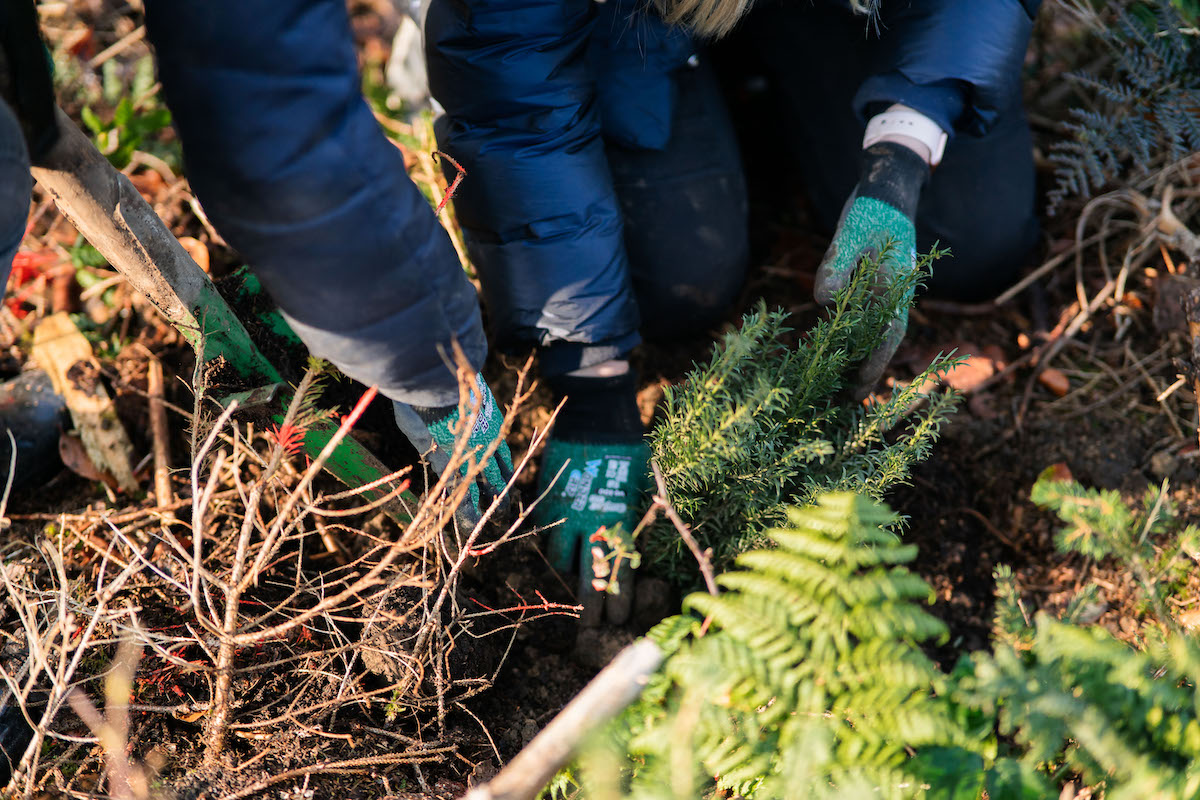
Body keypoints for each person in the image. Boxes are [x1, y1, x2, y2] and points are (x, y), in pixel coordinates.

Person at [420, 0, 1042, 621]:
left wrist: (900, 161)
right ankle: (720, 109)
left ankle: (774, 93)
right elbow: (513, 93)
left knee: (970, 237)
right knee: (674, 284)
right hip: (627, 25)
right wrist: (591, 387)